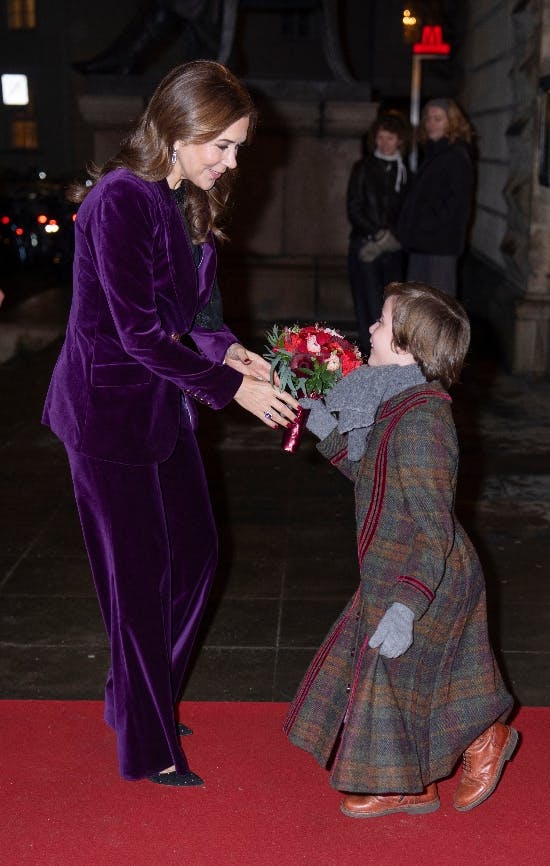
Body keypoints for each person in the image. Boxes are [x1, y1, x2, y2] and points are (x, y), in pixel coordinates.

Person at [42, 60, 298, 787]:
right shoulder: (119, 200)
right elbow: (137, 334)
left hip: (163, 407)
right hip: (106, 414)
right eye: (223, 144)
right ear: (179, 131)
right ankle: (147, 743)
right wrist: (230, 391)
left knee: (195, 555)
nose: (232, 161)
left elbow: (195, 317)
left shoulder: (184, 198)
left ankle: (136, 699)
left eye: (238, 147)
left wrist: (234, 352)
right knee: (139, 578)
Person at [285, 281, 517, 818]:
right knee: (407, 678)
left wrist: (407, 605)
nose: (370, 329)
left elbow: (433, 530)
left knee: (394, 676)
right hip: (395, 565)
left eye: (383, 323)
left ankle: (462, 750)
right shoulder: (396, 402)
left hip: (427, 573)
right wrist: (327, 431)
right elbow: (375, 478)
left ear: (409, 347)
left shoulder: (423, 422)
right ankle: (429, 773)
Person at [397, 98, 474, 297]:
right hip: (423, 243)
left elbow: (455, 204)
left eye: (438, 119)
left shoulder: (455, 155)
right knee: (418, 306)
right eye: (428, 118)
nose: (431, 123)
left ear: (452, 122)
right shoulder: (434, 153)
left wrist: (424, 224)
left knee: (439, 308)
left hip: (439, 246)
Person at [346, 112, 409, 353]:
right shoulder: (363, 167)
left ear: (400, 141)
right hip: (365, 247)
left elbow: (406, 211)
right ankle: (369, 355)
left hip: (393, 251)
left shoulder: (405, 172)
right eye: (381, 137)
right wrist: (378, 234)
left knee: (392, 308)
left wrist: (394, 238)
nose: (384, 143)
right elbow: (354, 207)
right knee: (369, 307)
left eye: (390, 138)